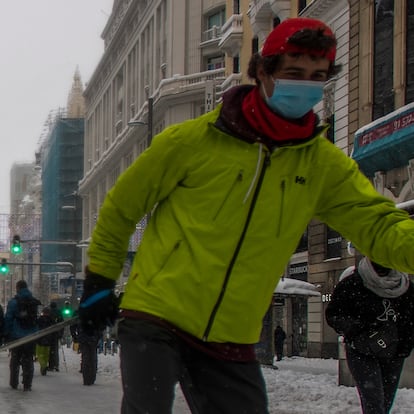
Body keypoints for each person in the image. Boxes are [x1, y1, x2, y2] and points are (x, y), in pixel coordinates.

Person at [78, 17, 414, 413]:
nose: (304, 85)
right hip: (157, 314)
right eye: (293, 73)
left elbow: (376, 223)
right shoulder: (190, 141)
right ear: (261, 71)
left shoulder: (323, 165)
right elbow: (122, 206)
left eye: (315, 76)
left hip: (230, 334)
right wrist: (99, 280)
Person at [326, 257, 414, 414]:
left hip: (394, 353)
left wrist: (405, 343)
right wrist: (359, 330)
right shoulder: (354, 283)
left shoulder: (405, 287)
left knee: (385, 403)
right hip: (362, 352)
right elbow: (334, 314)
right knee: (374, 402)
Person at [4, 280, 41, 391]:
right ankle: (27, 384)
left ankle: (14, 382)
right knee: (28, 359)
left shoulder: (14, 302)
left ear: (17, 288)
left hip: (17, 336)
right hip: (31, 336)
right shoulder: (33, 301)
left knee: (15, 359)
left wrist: (6, 334)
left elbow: (9, 319)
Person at [70, 314, 101, 386]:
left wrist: (75, 337)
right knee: (92, 358)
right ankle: (91, 377)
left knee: (86, 358)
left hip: (84, 338)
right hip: (92, 338)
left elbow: (72, 326)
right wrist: (98, 336)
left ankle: (86, 378)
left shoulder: (80, 313)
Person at [36, 306, 54, 375]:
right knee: (46, 354)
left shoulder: (40, 319)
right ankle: (45, 365)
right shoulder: (51, 320)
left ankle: (43, 365)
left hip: (40, 340)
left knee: (40, 354)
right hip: (48, 340)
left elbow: (36, 328)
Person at [48, 301, 63, 372]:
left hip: (49, 334)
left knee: (50, 350)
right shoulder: (59, 312)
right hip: (56, 333)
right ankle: (56, 365)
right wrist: (61, 333)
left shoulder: (49, 312)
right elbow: (62, 323)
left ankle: (51, 365)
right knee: (55, 349)